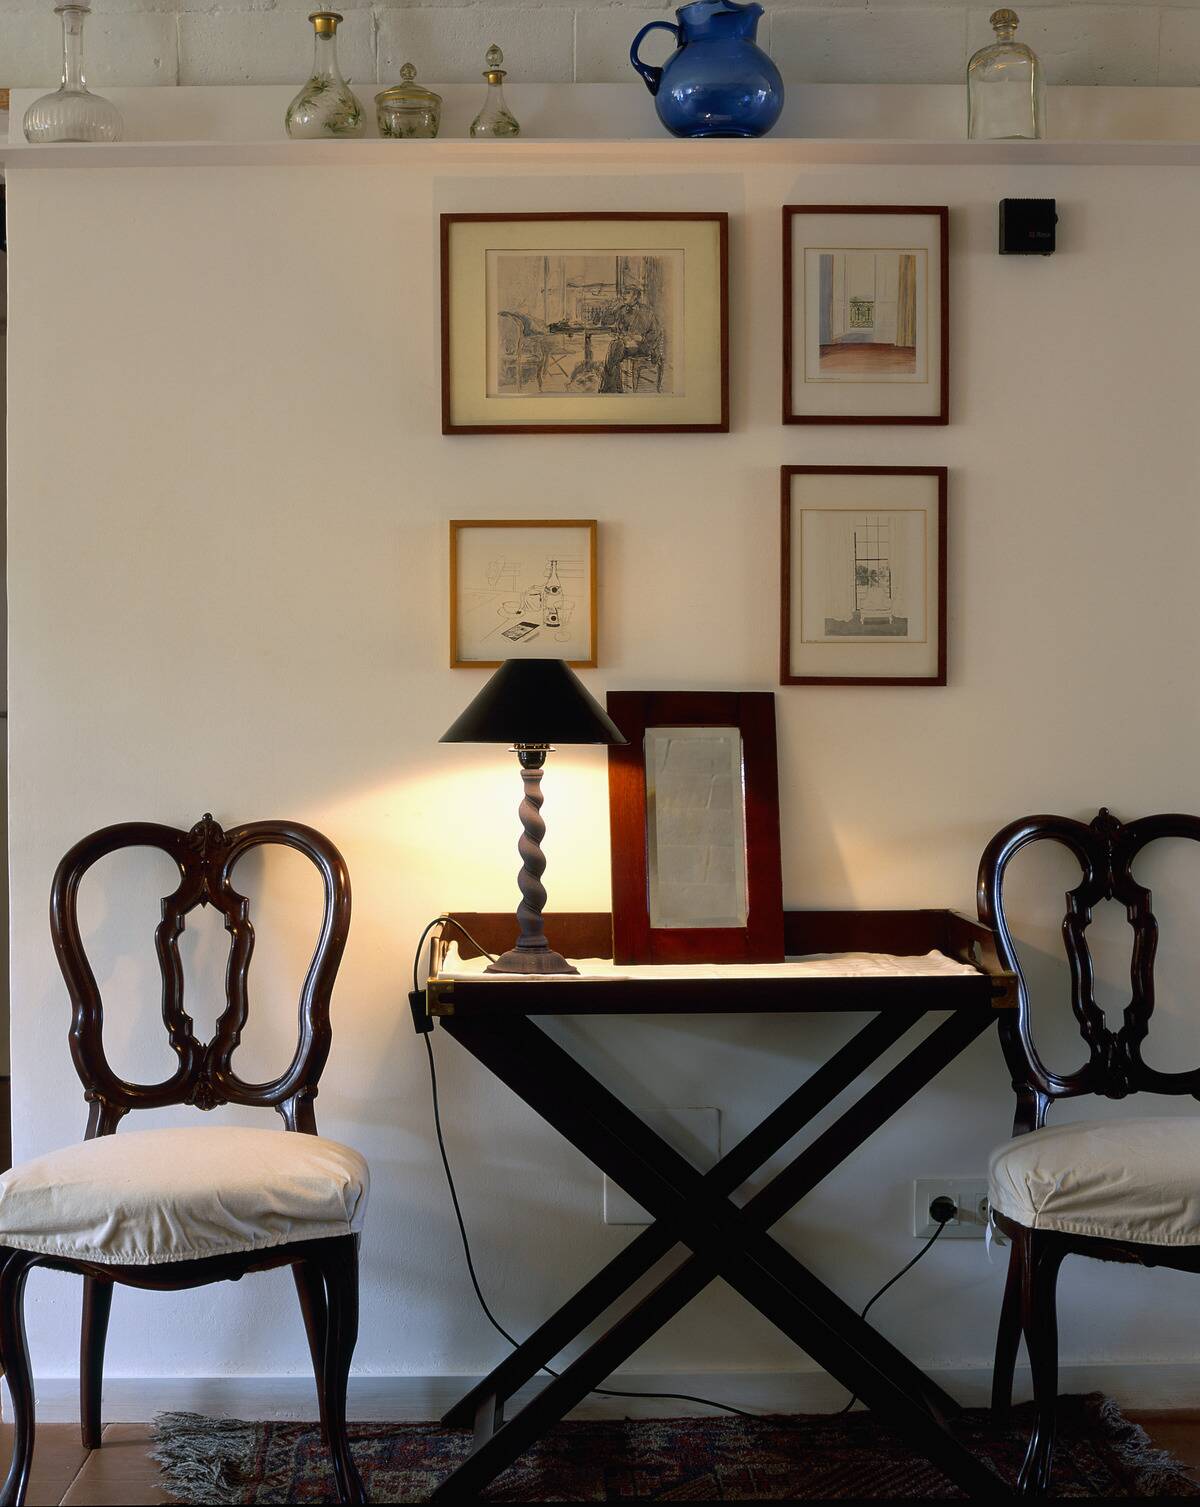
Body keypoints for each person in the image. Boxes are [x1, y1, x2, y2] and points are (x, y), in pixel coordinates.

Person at [600, 284, 663, 394]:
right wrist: (611, 309)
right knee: (616, 346)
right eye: (623, 292)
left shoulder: (647, 312)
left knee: (615, 347)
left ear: (636, 296)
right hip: (625, 346)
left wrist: (641, 338)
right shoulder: (621, 309)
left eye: (627, 293)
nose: (623, 295)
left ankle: (609, 387)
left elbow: (656, 332)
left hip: (642, 346)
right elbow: (605, 321)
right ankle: (614, 387)